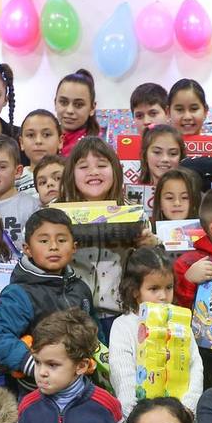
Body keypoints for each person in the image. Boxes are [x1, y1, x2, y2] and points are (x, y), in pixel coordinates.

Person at [0, 208, 92, 385]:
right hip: (36, 390)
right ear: (27, 249)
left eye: (62, 240)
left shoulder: (81, 289)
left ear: (74, 247)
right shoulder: (20, 293)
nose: (54, 246)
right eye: (43, 240)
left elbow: (94, 334)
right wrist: (35, 367)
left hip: (80, 385)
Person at [108, 247, 204, 417]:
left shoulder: (179, 321)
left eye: (169, 287)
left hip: (181, 416)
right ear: (135, 291)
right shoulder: (123, 326)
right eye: (154, 289)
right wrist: (139, 416)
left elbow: (195, 366)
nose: (163, 296)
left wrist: (187, 409)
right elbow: (122, 376)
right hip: (141, 420)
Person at [58, 136, 127, 319]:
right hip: (71, 313)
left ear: (116, 171)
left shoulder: (130, 212)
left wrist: (149, 242)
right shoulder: (56, 213)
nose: (93, 172)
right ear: (71, 173)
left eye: (102, 165)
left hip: (119, 314)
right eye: (83, 167)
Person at [54, 69, 100, 155]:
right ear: (55, 103)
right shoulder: (44, 139)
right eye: (63, 102)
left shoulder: (98, 148)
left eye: (78, 105)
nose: (69, 110)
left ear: (92, 108)